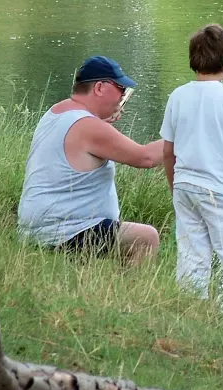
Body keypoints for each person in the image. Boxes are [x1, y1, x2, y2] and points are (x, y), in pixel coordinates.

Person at [160, 24, 223, 316]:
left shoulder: (177, 96)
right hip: (220, 192)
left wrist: (175, 187)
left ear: (193, 60)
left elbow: (168, 152)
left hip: (184, 187)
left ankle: (192, 316)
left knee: (191, 257)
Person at [18, 56, 163, 264]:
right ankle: (131, 285)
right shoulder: (87, 126)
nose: (122, 97)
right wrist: (184, 135)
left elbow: (82, 142)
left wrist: (100, 119)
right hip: (63, 232)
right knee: (146, 238)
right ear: (100, 88)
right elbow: (145, 157)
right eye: (120, 89)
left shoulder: (57, 112)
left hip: (38, 228)